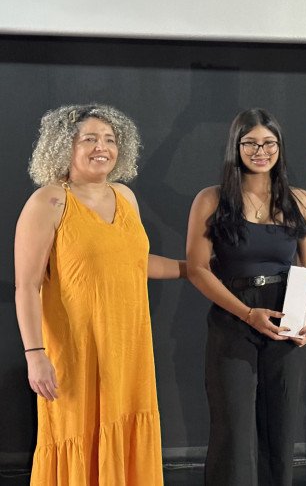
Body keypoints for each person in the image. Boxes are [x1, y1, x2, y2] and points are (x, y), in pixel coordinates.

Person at [14, 104, 184, 485]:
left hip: (128, 347)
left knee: (124, 425)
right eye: (88, 138)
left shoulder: (125, 197)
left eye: (109, 139)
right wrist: (35, 355)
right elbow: (26, 286)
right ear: (64, 146)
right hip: (75, 352)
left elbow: (134, 263)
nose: (101, 147)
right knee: (77, 433)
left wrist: (194, 269)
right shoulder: (49, 202)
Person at [186, 109, 306, 485]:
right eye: (251, 143)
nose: (260, 151)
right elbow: (197, 268)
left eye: (269, 143)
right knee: (234, 427)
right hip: (234, 315)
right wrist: (247, 313)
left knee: (281, 424)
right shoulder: (211, 200)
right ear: (236, 146)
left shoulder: (301, 201)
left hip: (287, 314)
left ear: (279, 147)